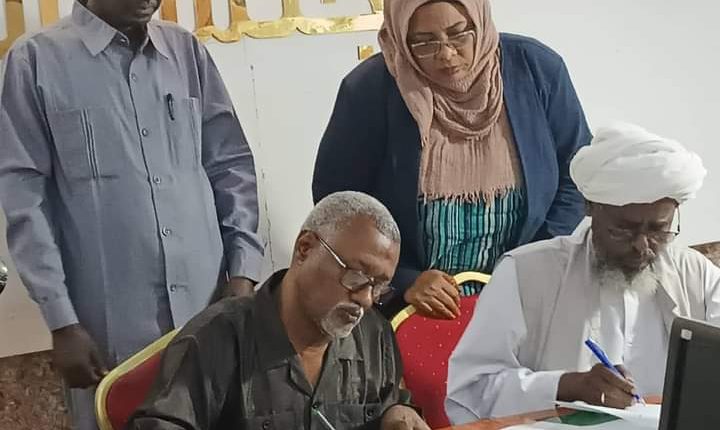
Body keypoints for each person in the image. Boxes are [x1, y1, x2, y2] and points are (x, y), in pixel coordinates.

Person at [0, 0, 263, 428]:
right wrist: (61, 320)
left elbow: (229, 163)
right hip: (107, 334)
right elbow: (25, 202)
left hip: (208, 313)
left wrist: (243, 272)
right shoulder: (36, 61)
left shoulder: (185, 51)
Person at [312, 0, 592, 320]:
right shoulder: (370, 89)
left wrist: (533, 263)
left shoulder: (536, 69)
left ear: (479, 21)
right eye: (424, 42)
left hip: (527, 296)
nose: (446, 54)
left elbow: (578, 173)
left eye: (459, 34)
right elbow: (339, 206)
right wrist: (401, 280)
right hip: (415, 310)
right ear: (400, 35)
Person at [445, 123, 720, 422]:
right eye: (623, 229)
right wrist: (566, 386)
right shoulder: (526, 272)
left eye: (658, 229)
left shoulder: (696, 275)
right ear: (589, 208)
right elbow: (472, 388)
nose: (642, 246)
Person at [128, 191, 429, 430]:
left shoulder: (374, 334)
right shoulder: (216, 338)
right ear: (305, 248)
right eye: (356, 276)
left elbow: (389, 401)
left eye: (378, 287)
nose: (365, 299)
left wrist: (396, 412)